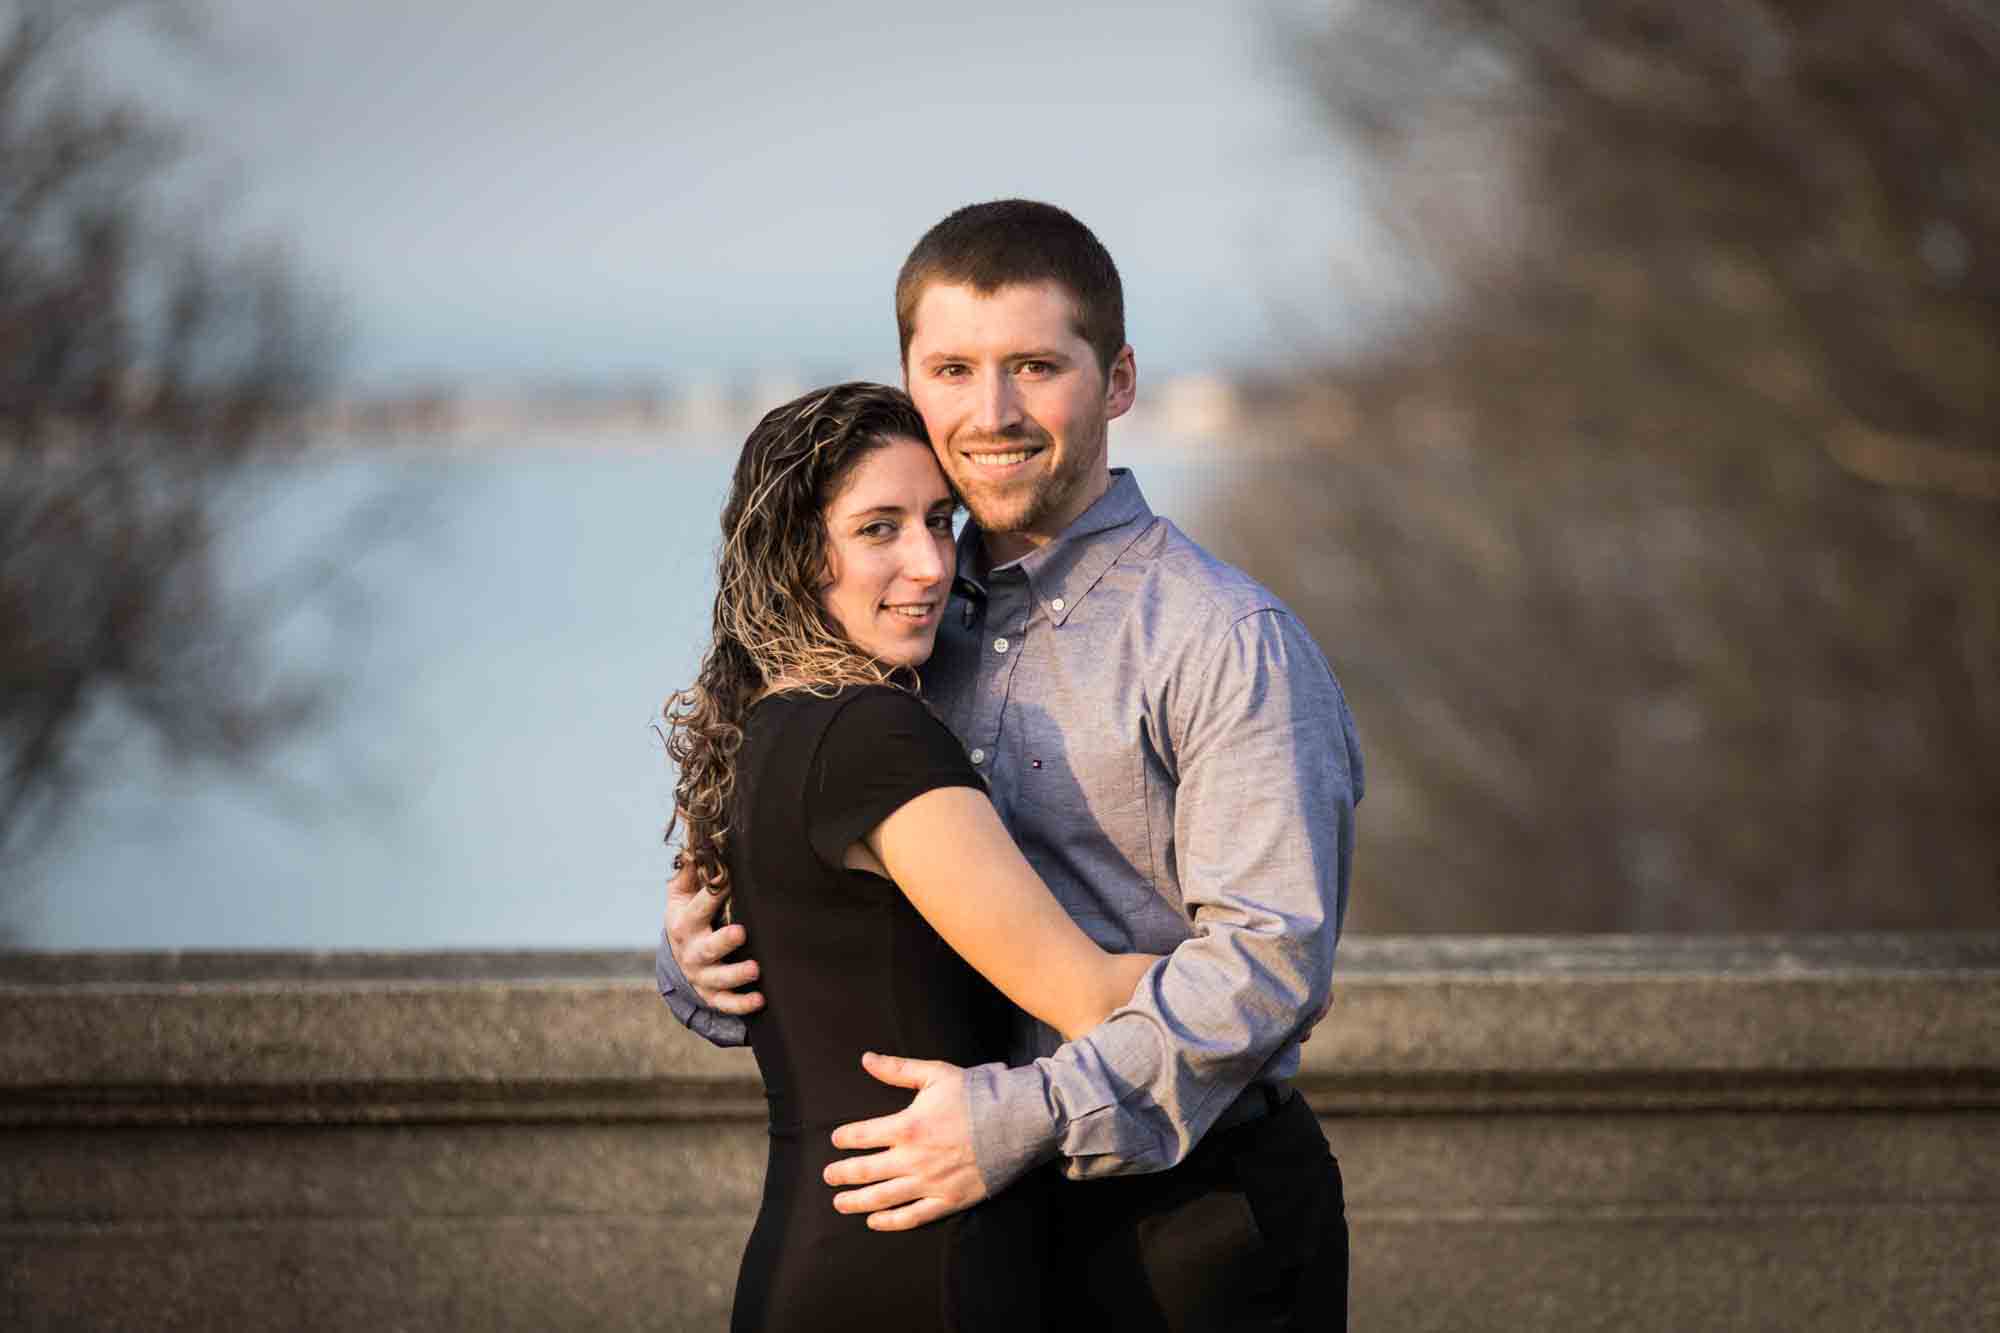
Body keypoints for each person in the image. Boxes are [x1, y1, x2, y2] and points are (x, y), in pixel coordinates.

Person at [661, 200, 1363, 1330]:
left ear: (1118, 380)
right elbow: (827, 878)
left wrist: (1022, 1116)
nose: (989, 413)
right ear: (908, 379)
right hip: (982, 1229)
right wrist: (701, 951)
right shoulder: (893, 622)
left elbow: (1270, 970)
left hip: (1188, 1222)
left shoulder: (1224, 640)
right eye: (951, 368)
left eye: (1034, 365)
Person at [659, 380, 1159, 1332]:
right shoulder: (873, 737)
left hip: (811, 1253)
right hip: (921, 1268)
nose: (930, 563)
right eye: (878, 528)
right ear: (800, 555)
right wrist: (1263, 981)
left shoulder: (762, 728)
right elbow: (1085, 997)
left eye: (940, 519)